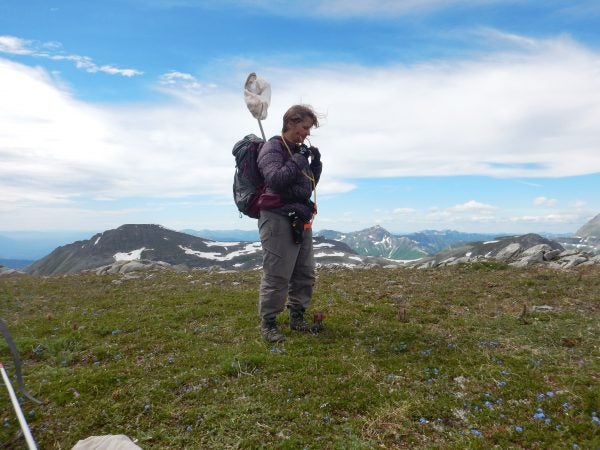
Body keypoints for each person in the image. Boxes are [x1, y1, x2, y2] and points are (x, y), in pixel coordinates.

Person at [256, 104, 323, 342]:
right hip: (277, 218)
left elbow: (305, 186)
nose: (306, 133)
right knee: (277, 274)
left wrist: (315, 165)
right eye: (304, 127)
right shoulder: (272, 147)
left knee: (304, 272)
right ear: (291, 123)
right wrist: (298, 159)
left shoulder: (297, 150)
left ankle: (297, 317)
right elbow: (275, 179)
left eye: (308, 130)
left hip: (300, 217)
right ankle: (269, 323)